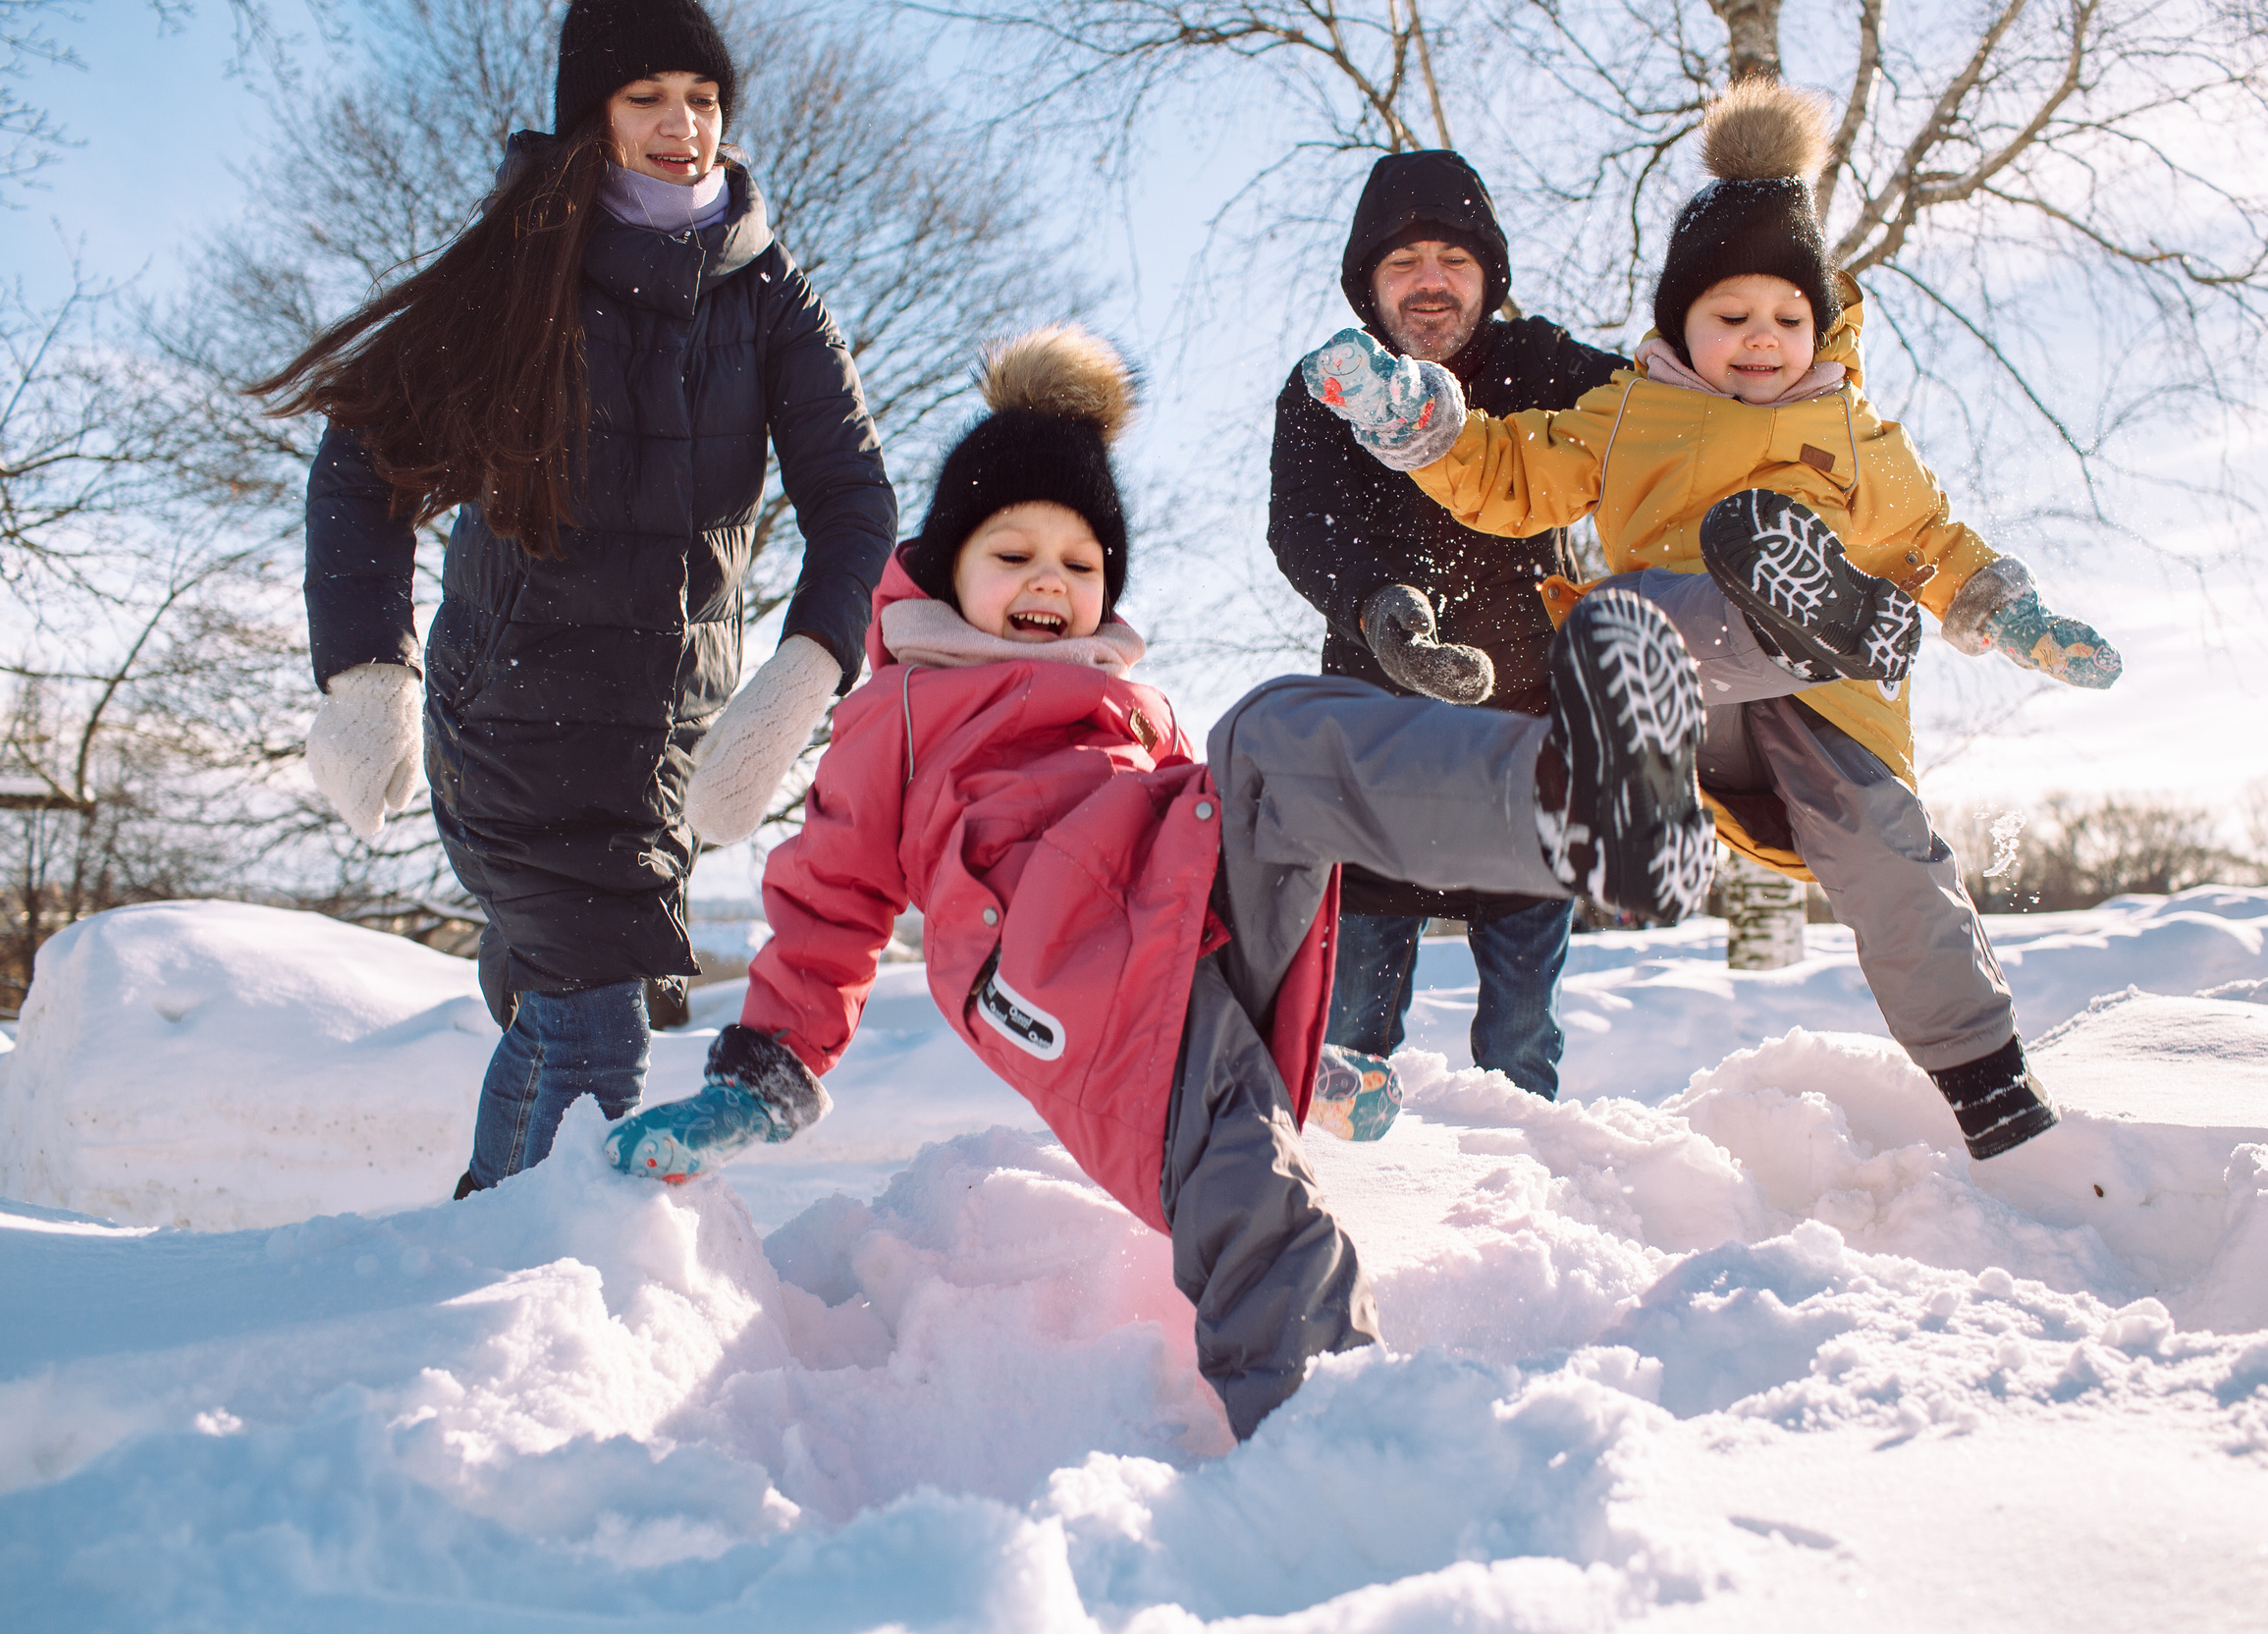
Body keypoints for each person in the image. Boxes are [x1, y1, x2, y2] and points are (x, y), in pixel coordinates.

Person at [603, 327, 1716, 1439]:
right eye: (1014, 553)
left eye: (1081, 565)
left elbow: (1226, 873)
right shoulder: (897, 714)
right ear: (949, 570)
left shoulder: (1136, 710)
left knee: (1281, 722)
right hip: (1060, 985)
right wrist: (766, 1071)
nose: (1051, 579)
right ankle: (1324, 1437)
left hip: (1183, 944)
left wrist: (1306, 1051)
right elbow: (829, 901)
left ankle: (1573, 803)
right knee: (1248, 1188)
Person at [1303, 81, 2125, 1162]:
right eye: (1730, 318)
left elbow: (1933, 540)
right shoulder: (1630, 411)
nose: (1760, 339)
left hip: (1827, 706)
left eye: (1787, 318)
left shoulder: (1857, 434)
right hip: (1693, 678)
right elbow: (1515, 474)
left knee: (1890, 857)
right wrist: (1427, 430)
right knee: (1619, 622)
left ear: (1817, 323)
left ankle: (1992, 1088)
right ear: (1680, 324)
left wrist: (2009, 613)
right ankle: (1659, 786)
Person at [254, 0, 896, 1196]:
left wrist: (802, 673)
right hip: (513, 721)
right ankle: (568, 1285)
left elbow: (853, 497)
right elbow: (362, 465)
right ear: (589, 115)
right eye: (647, 95)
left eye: (704, 95)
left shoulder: (771, 299)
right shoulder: (516, 274)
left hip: (665, 734)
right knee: (601, 1035)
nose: (683, 125)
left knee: (566, 1012)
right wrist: (363, 675)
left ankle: (479, 1249)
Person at [1268, 151, 1629, 1102]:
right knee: (1348, 1036)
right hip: (1373, 747)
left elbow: (1669, 416)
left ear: (1487, 276)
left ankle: (1522, 1200)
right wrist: (1382, 612)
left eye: (1452, 258)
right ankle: (1334, 1190)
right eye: (1402, 261)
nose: (1429, 280)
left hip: (1527, 738)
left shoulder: (1543, 365)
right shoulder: (1326, 386)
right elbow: (1303, 526)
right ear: (1367, 283)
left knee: (1519, 1038)